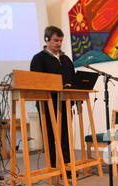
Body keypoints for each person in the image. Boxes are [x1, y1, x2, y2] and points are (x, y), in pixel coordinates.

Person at [30, 26, 75, 172]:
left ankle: (66, 166)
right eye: (56, 40)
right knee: (50, 136)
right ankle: (54, 167)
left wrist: (70, 85)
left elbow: (72, 78)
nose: (59, 44)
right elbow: (37, 81)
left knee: (64, 136)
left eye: (61, 41)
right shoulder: (38, 59)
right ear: (47, 39)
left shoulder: (66, 59)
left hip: (64, 102)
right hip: (47, 103)